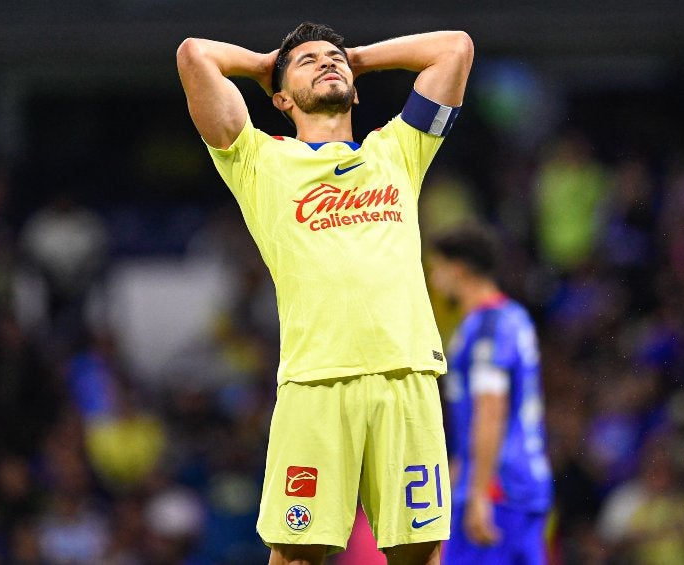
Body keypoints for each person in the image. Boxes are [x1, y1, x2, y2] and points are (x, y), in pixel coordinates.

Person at [176, 22, 474, 565]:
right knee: (297, 554)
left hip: (406, 373)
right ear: (281, 99)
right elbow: (196, 55)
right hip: (316, 380)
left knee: (421, 553)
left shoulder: (400, 150)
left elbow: (454, 48)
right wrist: (266, 65)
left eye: (333, 58)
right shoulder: (259, 161)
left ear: (355, 89)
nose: (326, 62)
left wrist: (355, 56)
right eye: (308, 61)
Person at [429, 225, 553, 564]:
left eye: (437, 268)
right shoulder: (514, 317)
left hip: (499, 488)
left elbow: (490, 410)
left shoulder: (486, 329)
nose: (434, 279)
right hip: (522, 483)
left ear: (458, 269)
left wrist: (479, 493)